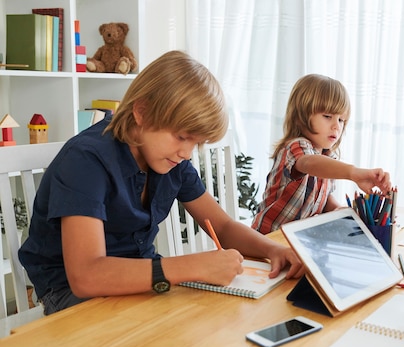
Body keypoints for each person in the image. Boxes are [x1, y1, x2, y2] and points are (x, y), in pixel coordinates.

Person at [18, 50, 304, 315]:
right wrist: (191, 266)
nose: (186, 153)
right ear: (141, 112)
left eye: (196, 142)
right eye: (181, 137)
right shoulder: (86, 160)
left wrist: (273, 250)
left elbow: (224, 227)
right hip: (71, 293)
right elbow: (86, 276)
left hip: (140, 280)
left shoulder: (171, 161)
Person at [251, 74, 392, 234]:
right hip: (268, 238)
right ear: (300, 117)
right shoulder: (295, 147)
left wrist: (338, 210)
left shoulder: (328, 159)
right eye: (327, 116)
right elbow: (310, 163)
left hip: (296, 241)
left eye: (341, 120)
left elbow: (321, 199)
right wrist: (353, 173)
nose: (336, 127)